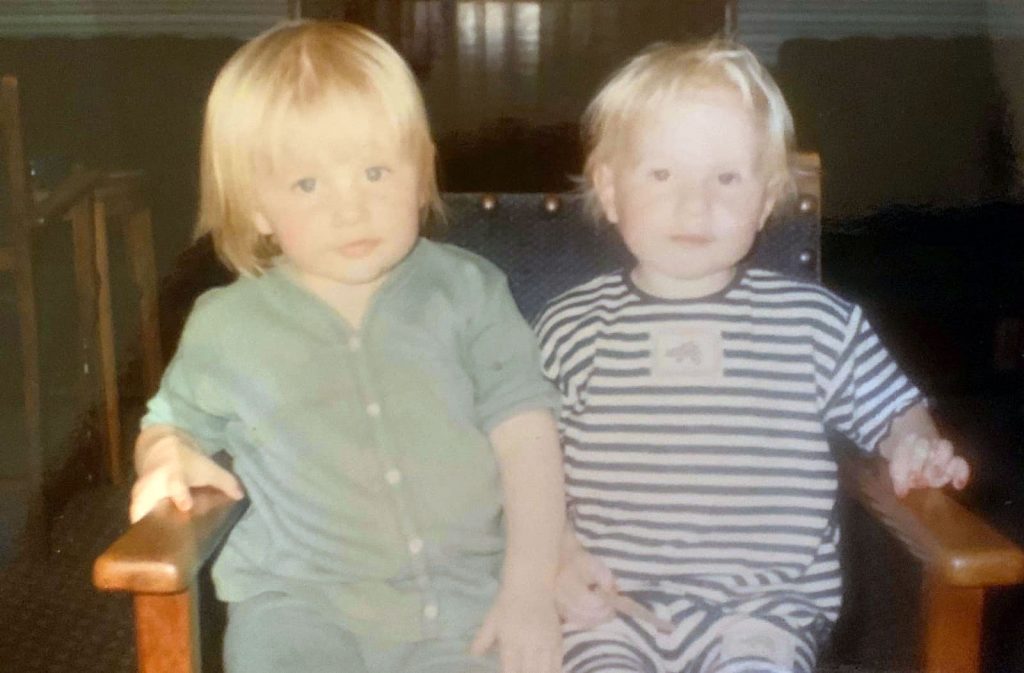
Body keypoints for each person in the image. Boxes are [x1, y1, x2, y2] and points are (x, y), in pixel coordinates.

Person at [128, 20, 565, 673]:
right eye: (309, 184)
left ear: (420, 174)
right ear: (257, 207)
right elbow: (167, 423)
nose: (351, 209)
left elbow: (527, 435)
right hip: (301, 610)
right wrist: (165, 455)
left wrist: (530, 588)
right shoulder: (228, 323)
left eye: (375, 171)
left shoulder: (468, 291)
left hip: (459, 607)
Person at [534, 39, 970, 673]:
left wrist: (914, 444)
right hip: (609, 607)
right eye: (661, 174)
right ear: (608, 189)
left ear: (767, 198)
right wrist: (561, 553)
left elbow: (897, 410)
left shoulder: (818, 324)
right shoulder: (569, 326)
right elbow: (525, 469)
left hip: (765, 613)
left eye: (727, 177)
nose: (695, 204)